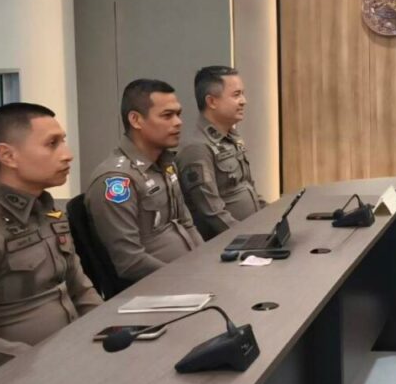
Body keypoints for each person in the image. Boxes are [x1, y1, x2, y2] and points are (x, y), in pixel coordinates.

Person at [0, 103, 102, 373]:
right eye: (52, 144)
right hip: (19, 378)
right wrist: (54, 365)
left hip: (76, 355)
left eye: (63, 141)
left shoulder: (47, 211)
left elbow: (80, 291)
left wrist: (110, 329)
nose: (67, 155)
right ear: (8, 156)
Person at [85, 79, 202, 283]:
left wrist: (207, 265)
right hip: (157, 286)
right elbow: (130, 262)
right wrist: (187, 278)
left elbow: (187, 224)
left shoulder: (165, 163)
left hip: (190, 273)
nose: (178, 122)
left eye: (178, 114)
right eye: (167, 115)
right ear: (136, 120)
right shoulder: (116, 180)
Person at [177, 66, 266, 240]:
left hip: (253, 232)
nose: (244, 101)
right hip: (228, 244)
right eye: (236, 95)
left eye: (243, 94)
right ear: (212, 102)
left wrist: (274, 217)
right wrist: (251, 240)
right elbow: (213, 213)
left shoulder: (231, 137)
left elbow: (249, 189)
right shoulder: (197, 148)